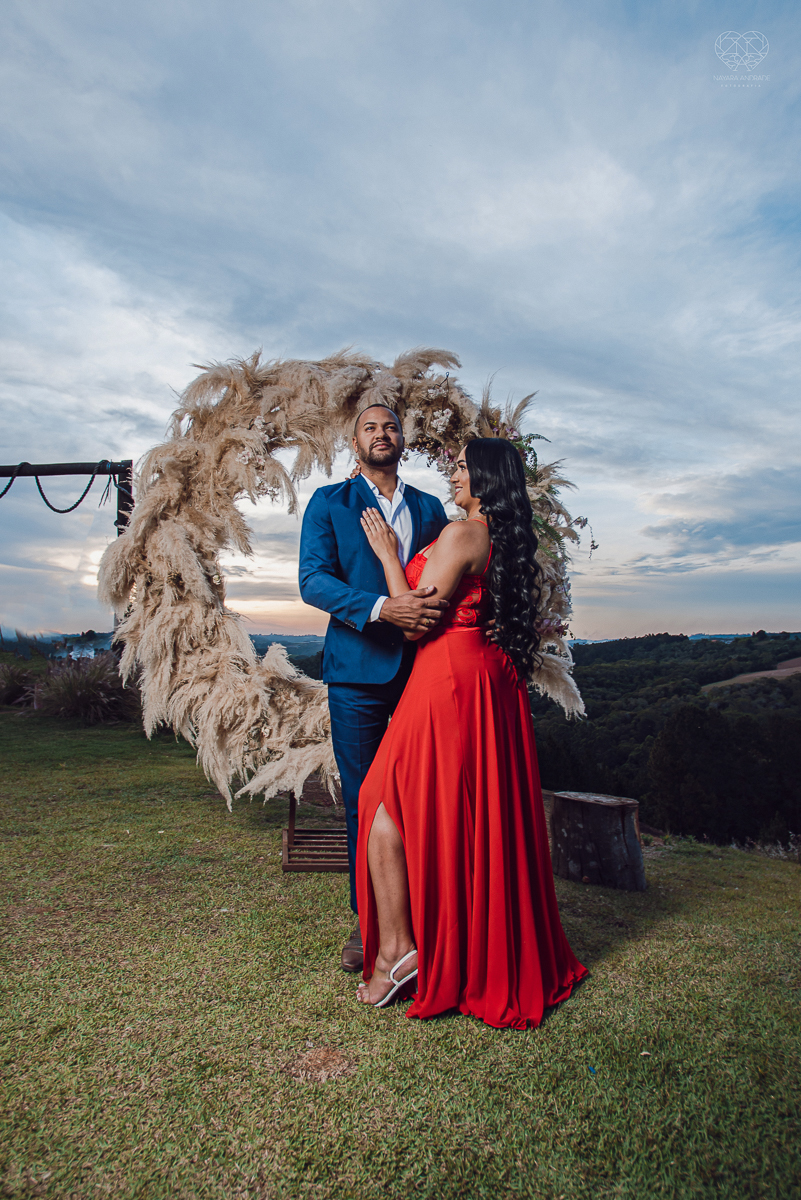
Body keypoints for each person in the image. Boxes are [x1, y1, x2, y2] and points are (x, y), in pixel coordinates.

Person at [354, 437, 587, 1028]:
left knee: (380, 795)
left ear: (484, 477)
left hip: (447, 677)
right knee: (460, 810)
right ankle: (422, 946)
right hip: (487, 678)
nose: (452, 474)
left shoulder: (463, 534)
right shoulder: (507, 540)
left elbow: (413, 622)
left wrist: (387, 552)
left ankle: (398, 950)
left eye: (460, 467)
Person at [299, 404, 450, 973]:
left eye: (389, 426)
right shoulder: (329, 503)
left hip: (423, 672)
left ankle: (429, 918)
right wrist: (383, 607)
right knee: (366, 799)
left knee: (422, 796)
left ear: (402, 438)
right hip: (357, 675)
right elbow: (313, 581)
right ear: (354, 440)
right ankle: (372, 928)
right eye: (370, 427)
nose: (381, 434)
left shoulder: (431, 507)